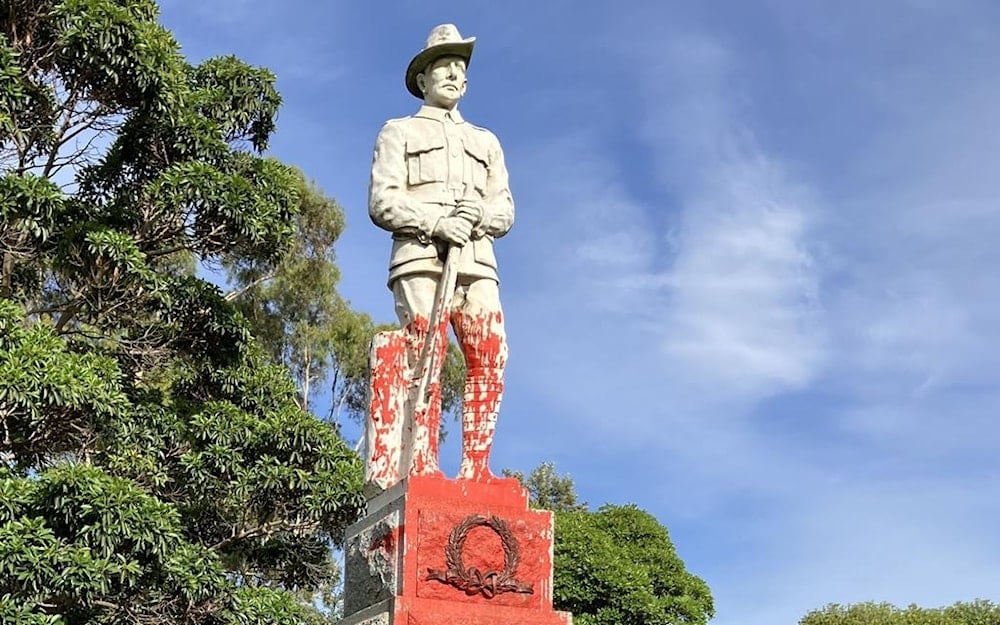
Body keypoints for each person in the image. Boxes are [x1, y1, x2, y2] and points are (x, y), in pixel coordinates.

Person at [368, 24, 514, 481]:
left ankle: (477, 469)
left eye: (459, 68)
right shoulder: (399, 132)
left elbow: (504, 208)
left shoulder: (485, 141)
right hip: (421, 258)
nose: (452, 74)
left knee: (491, 354)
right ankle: (421, 464)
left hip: (477, 263)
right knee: (425, 356)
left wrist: (476, 219)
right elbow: (383, 201)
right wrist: (435, 222)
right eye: (443, 66)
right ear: (423, 78)